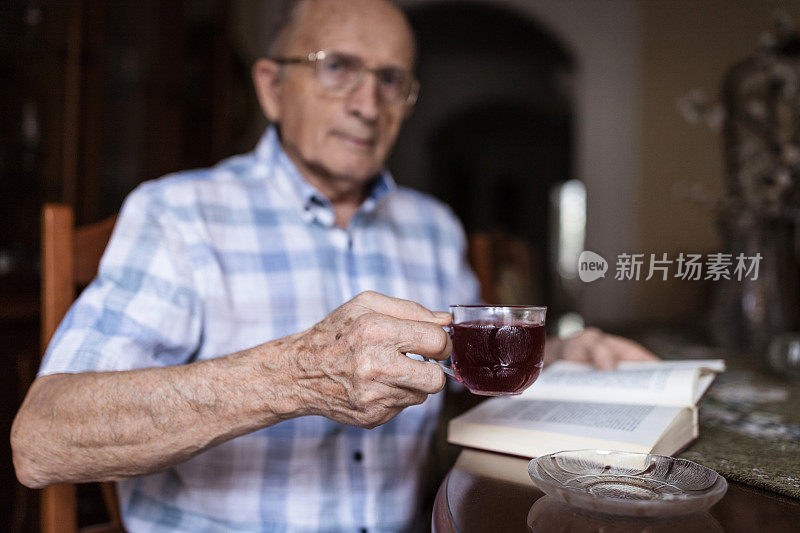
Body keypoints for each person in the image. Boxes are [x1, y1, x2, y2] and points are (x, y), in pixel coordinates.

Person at [11, 0, 657, 531]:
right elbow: (41, 438)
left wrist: (566, 353)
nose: (368, 104)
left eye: (391, 80)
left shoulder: (433, 227)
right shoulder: (178, 213)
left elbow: (461, 373)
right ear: (270, 86)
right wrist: (296, 375)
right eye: (337, 67)